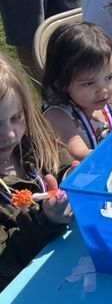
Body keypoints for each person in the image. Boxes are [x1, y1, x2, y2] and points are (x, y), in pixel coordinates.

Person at [0, 53, 73, 287]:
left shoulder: (33, 141)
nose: (10, 134)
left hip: (64, 267)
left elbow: (59, 163)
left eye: (16, 117)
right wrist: (46, 221)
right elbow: (6, 260)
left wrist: (70, 178)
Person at [42, 22, 112, 160]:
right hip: (80, 175)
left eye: (109, 77)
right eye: (88, 83)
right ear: (61, 82)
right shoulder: (57, 114)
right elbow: (79, 153)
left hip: (107, 167)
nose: (103, 89)